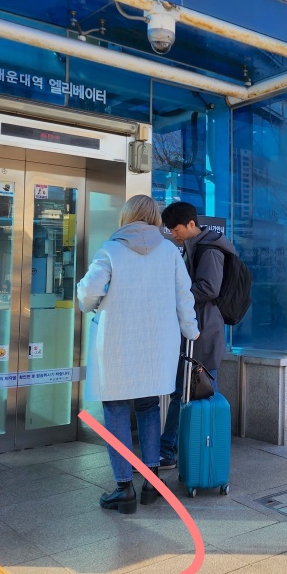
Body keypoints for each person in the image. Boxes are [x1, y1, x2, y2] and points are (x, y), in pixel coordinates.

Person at [77, 195, 199, 514]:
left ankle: (123, 489)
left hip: (116, 343)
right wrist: (191, 331)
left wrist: (91, 305)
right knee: (148, 407)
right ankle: (151, 483)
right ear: (154, 219)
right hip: (158, 345)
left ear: (127, 216)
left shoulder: (111, 249)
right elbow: (184, 297)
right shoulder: (170, 253)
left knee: (115, 409)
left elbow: (88, 293)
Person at [158, 202, 240, 470]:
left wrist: (176, 294)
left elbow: (209, 288)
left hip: (203, 333)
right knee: (183, 392)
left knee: (203, 392)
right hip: (196, 330)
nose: (172, 233)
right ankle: (173, 449)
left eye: (176, 228)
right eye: (169, 229)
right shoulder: (197, 246)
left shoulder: (210, 249)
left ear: (191, 224)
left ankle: (203, 453)